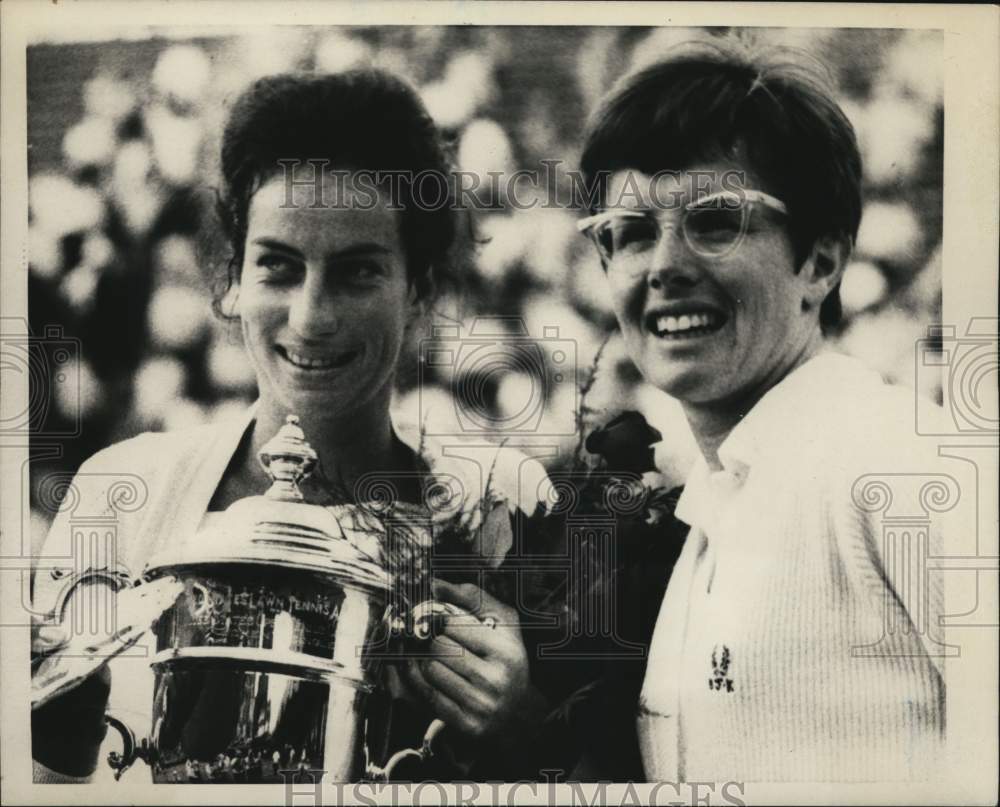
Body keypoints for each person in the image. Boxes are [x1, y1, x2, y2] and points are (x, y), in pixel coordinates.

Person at [31, 69, 555, 783]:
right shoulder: (122, 495)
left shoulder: (496, 518)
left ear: (421, 291)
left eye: (357, 272)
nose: (310, 316)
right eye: (278, 266)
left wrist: (520, 728)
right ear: (232, 280)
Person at [576, 39, 949, 781]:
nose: (665, 266)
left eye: (716, 222)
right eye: (632, 234)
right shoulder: (706, 513)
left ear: (821, 260)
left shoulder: (895, 454)